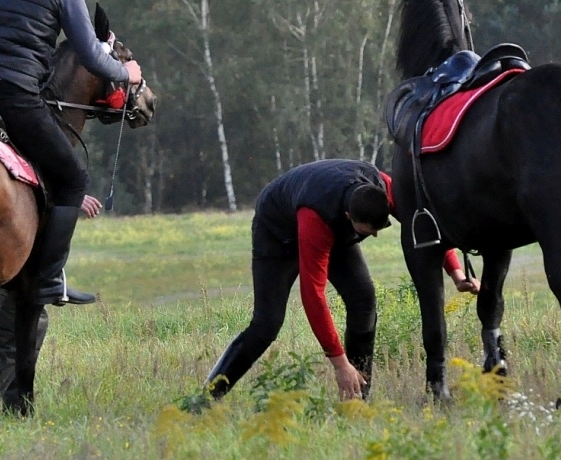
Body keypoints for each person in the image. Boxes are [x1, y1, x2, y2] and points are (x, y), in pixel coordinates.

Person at [0, 0, 142, 410]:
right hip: (16, 96)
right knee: (72, 178)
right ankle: (50, 276)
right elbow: (91, 56)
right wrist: (126, 72)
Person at [204, 158, 480, 401]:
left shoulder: (383, 188)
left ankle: (358, 397)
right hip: (278, 232)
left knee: (363, 301)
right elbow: (313, 295)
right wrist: (339, 364)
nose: (375, 236)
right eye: (368, 231)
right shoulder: (316, 218)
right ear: (349, 216)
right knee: (266, 325)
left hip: (331, 221)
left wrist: (456, 273)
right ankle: (208, 395)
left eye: (380, 228)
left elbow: (422, 226)